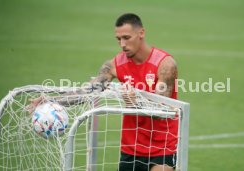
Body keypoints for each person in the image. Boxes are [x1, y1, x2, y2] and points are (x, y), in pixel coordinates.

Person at [30, 13, 178, 171]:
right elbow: (88, 92)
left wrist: (136, 103)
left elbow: (162, 110)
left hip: (163, 145)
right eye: (118, 39)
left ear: (141, 33)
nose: (122, 44)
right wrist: (51, 100)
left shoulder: (165, 64)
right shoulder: (114, 65)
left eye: (127, 37)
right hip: (131, 147)